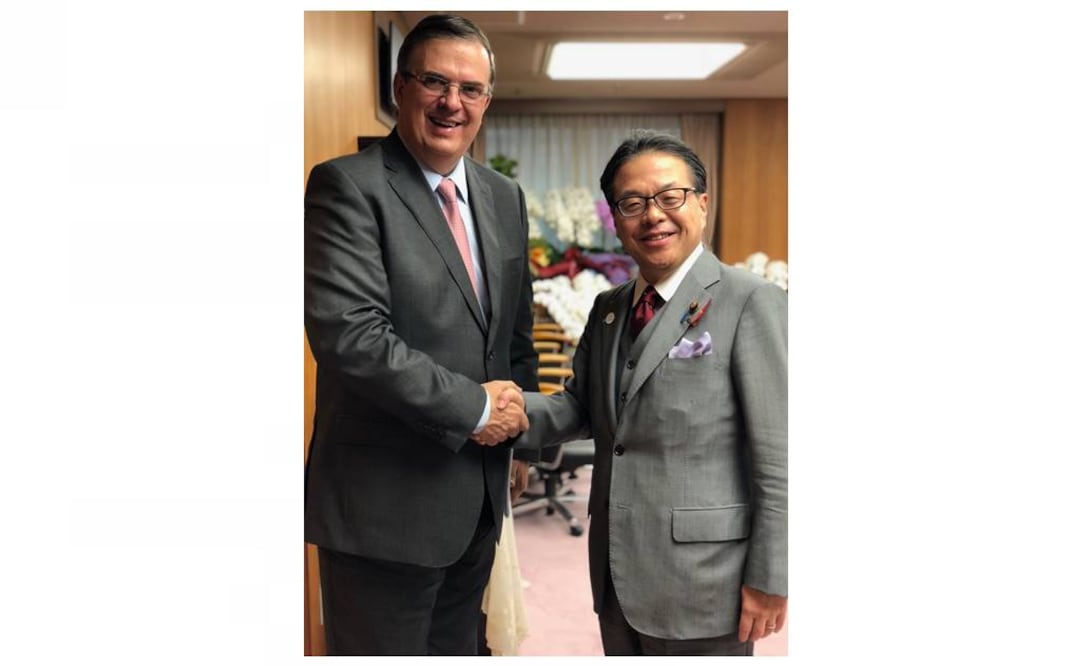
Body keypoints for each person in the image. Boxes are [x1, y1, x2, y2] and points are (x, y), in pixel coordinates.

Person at [489, 130, 788, 656]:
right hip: (617, 569)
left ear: (701, 202)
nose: (653, 215)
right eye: (633, 203)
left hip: (706, 579)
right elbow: (580, 407)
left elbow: (779, 455)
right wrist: (497, 408)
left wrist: (772, 576)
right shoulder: (610, 307)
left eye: (669, 196)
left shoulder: (751, 303)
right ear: (617, 217)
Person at [303, 14, 538, 655]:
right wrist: (478, 410)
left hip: (477, 501)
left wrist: (517, 432)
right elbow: (351, 335)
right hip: (385, 506)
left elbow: (512, 330)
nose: (451, 102)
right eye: (435, 81)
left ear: (487, 100)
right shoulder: (347, 186)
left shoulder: (503, 196)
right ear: (402, 87)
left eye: (470, 89)